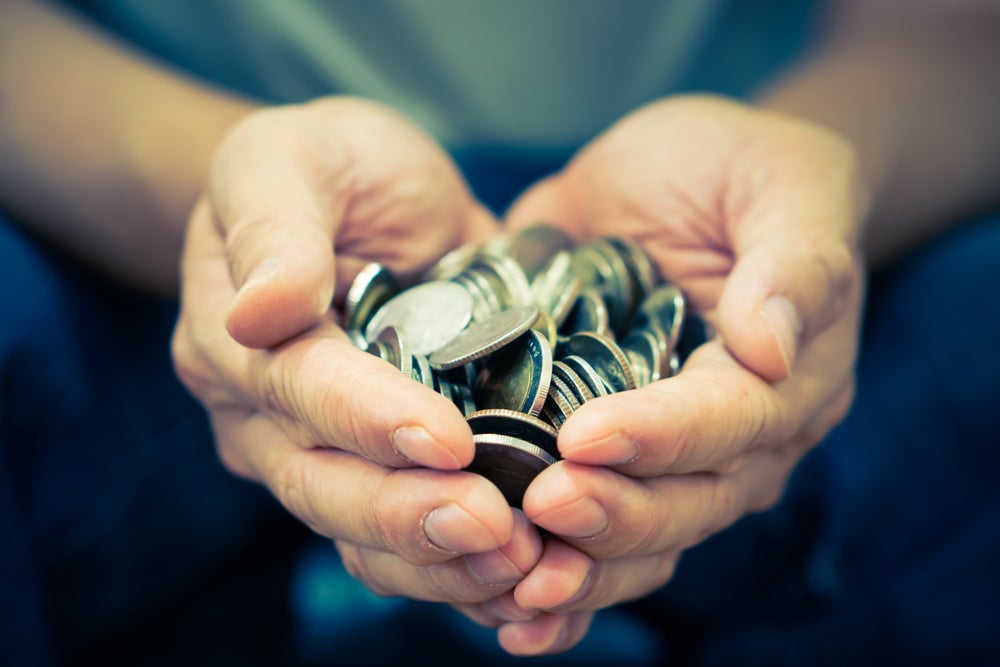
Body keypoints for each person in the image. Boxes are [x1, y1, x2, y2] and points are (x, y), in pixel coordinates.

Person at [1, 0, 999, 664]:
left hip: (735, 215)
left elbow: (961, 46)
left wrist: (829, 183)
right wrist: (221, 194)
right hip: (151, 192)